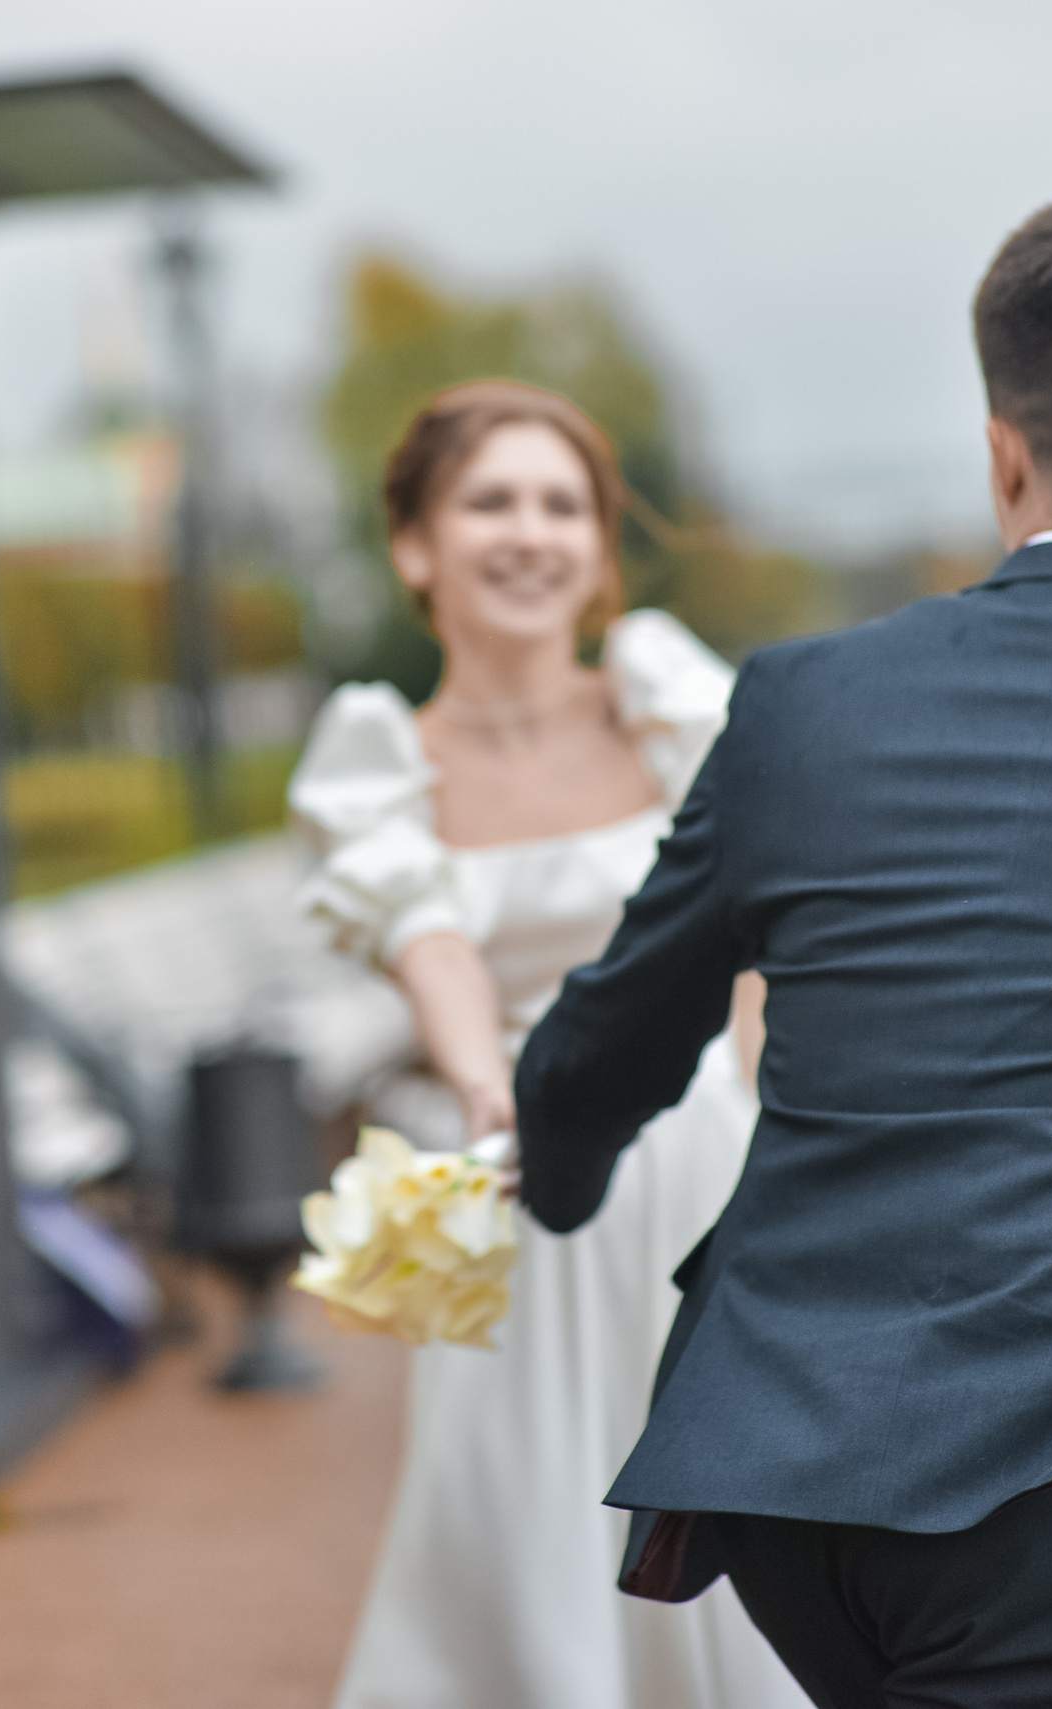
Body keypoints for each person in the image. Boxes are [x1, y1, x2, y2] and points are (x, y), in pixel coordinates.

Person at [515, 191, 1052, 1708]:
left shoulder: (800, 704)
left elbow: (615, 1030)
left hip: (777, 1447)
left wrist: (555, 1173)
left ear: (1002, 442)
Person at [290, 382, 811, 1709]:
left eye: (561, 504)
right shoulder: (372, 757)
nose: (530, 533)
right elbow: (434, 945)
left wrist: (767, 1108)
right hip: (510, 1167)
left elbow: (763, 910)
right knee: (510, 1504)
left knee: (737, 1495)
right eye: (491, 502)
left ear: (597, 546)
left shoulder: (668, 706)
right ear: (415, 545)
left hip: (701, 1153)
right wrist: (488, 1086)